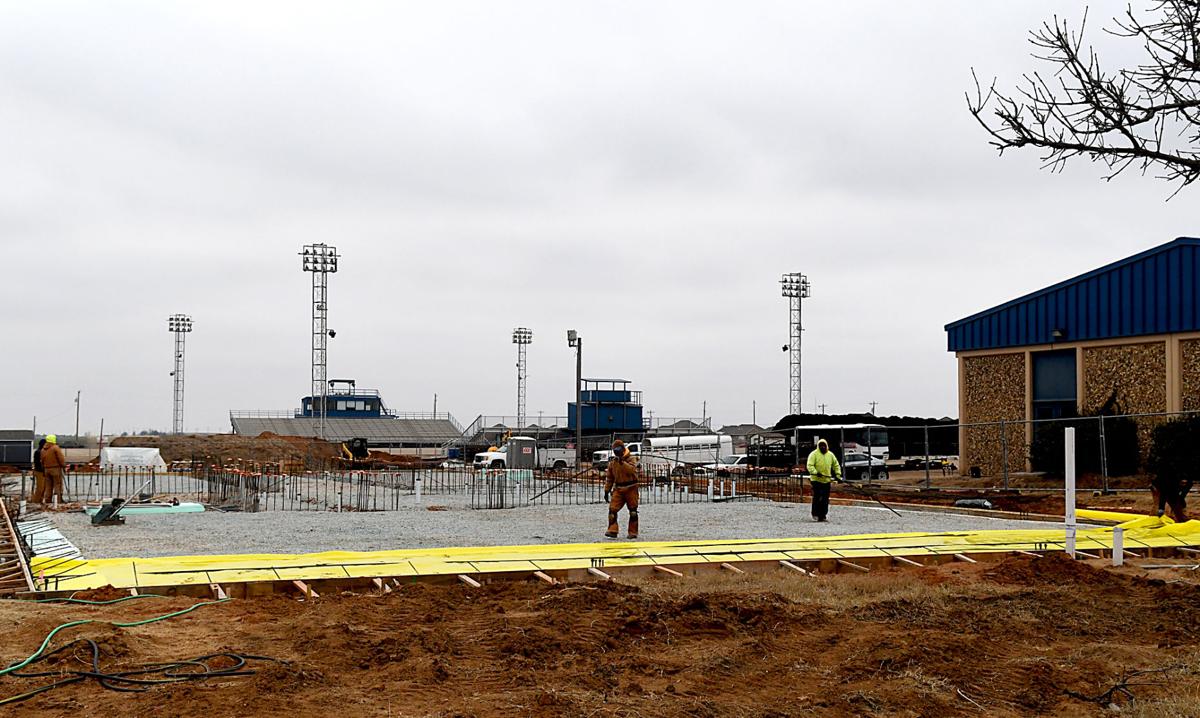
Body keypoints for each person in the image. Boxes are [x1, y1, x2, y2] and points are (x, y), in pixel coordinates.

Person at [604, 439, 639, 539]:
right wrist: (607, 490)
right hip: (619, 489)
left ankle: (633, 532)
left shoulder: (631, 459)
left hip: (631, 488)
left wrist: (622, 462)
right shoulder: (613, 463)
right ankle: (612, 530)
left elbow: (632, 470)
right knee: (612, 510)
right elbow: (610, 478)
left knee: (633, 511)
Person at [805, 438, 842, 522]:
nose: (822, 447)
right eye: (820, 445)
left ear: (826, 446)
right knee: (817, 496)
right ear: (818, 446)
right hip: (816, 480)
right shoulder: (813, 454)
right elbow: (810, 465)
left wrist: (838, 475)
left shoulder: (830, 455)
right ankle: (815, 514)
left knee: (825, 498)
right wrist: (815, 472)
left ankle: (823, 515)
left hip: (826, 480)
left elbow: (836, 465)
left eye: (824, 445)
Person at [40, 434, 68, 506]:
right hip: (55, 469)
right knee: (57, 485)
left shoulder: (43, 449)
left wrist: (44, 468)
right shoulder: (55, 448)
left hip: (46, 469)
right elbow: (60, 458)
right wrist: (64, 466)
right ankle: (58, 501)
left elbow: (42, 461)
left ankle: (48, 500)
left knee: (48, 486)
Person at [30, 438, 47, 503]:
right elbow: (38, 463)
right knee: (40, 488)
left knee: (44, 488)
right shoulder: (38, 452)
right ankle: (36, 501)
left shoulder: (42, 451)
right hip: (39, 471)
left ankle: (40, 500)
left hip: (43, 471)